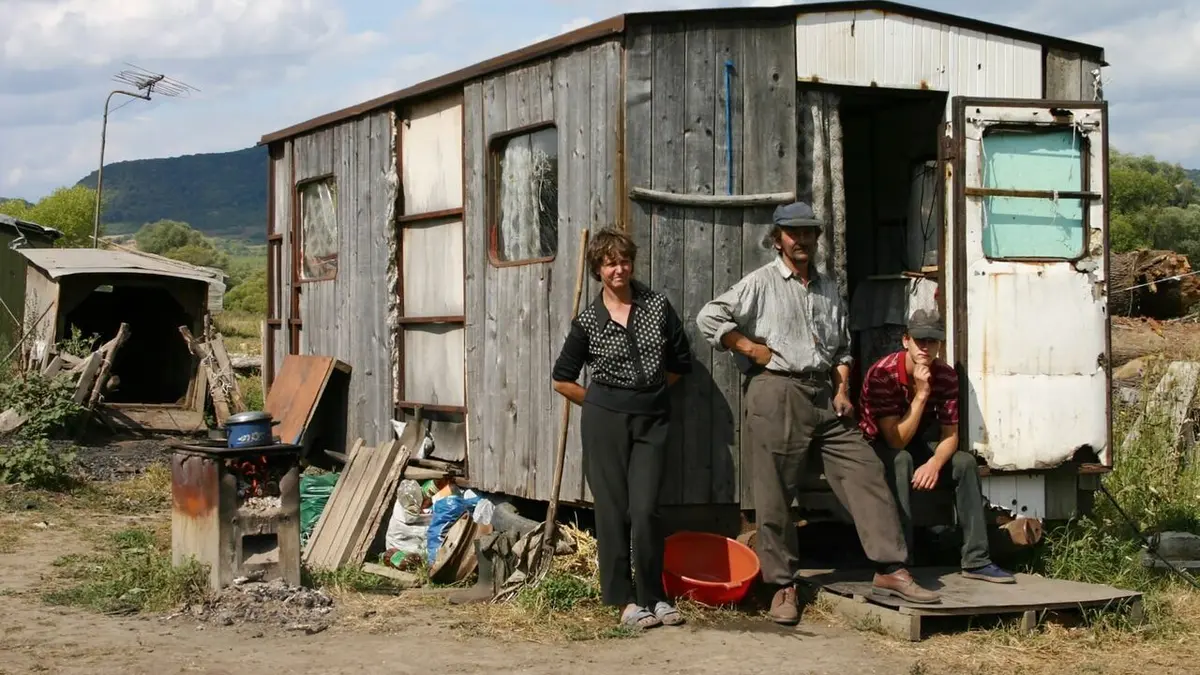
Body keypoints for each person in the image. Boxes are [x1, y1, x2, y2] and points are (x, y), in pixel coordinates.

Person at [695, 201, 940, 625]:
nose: (803, 239)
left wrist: (843, 387)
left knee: (865, 470)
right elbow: (708, 316)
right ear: (778, 240)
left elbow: (842, 348)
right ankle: (782, 585)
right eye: (794, 233)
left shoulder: (828, 288)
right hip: (776, 389)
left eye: (809, 232)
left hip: (825, 394)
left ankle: (890, 569)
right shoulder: (761, 283)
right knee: (773, 492)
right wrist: (749, 347)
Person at [551, 227, 693, 630]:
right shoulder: (588, 321)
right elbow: (562, 378)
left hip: (652, 418)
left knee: (646, 510)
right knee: (613, 511)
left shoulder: (657, 306)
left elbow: (681, 364)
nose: (619, 269)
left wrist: (648, 395)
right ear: (598, 269)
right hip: (604, 422)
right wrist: (599, 403)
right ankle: (624, 601)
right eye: (610, 262)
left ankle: (654, 595)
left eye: (624, 260)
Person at [858, 309, 1015, 584]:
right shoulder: (883, 374)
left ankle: (976, 559)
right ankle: (899, 563)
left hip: (917, 441)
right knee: (901, 460)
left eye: (932, 341)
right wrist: (921, 394)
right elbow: (894, 440)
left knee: (964, 463)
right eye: (919, 340)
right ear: (906, 340)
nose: (925, 347)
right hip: (875, 446)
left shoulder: (945, 375)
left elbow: (950, 434)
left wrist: (934, 463)